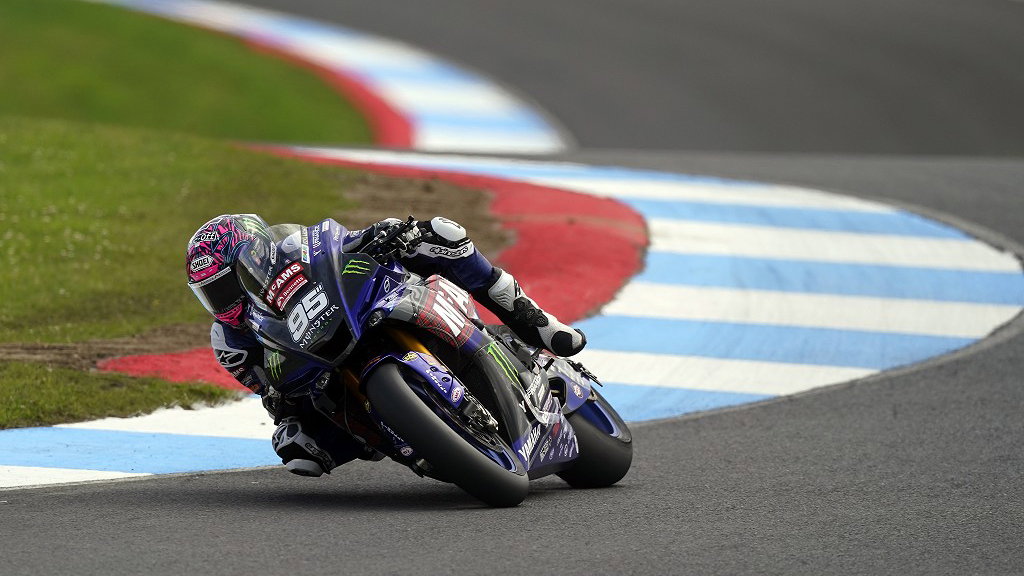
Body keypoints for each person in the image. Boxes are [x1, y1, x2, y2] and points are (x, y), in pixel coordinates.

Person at [185, 213, 586, 477]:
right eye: (211, 295)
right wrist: (282, 405)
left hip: (370, 306)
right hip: (321, 370)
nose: (224, 302)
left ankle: (533, 321)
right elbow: (268, 393)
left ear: (256, 255)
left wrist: (384, 234)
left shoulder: (292, 247)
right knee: (297, 446)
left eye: (226, 286)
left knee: (442, 233)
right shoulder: (230, 340)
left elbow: (338, 245)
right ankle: (417, 437)